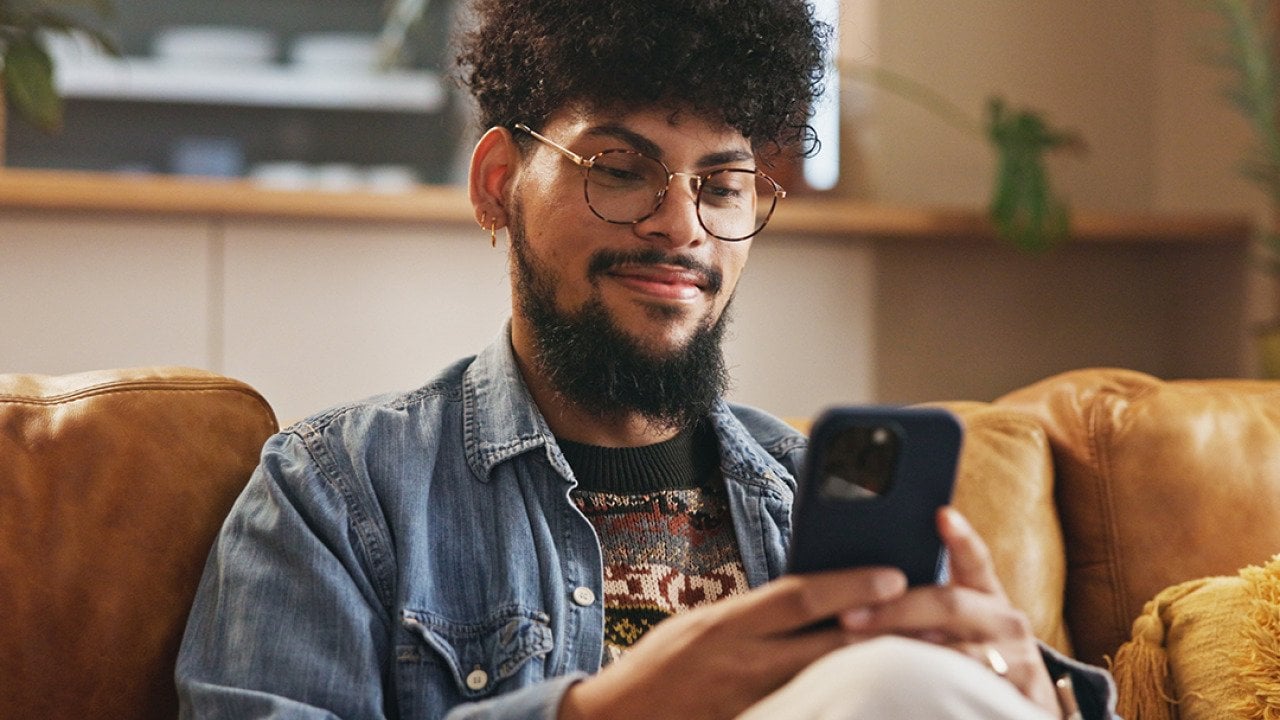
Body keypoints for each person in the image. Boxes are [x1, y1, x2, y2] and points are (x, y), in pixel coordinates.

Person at [176, 0, 1118, 718]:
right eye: (621, 170)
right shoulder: (336, 497)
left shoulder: (811, 501)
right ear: (499, 184)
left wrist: (1038, 690)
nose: (680, 226)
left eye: (725, 183)